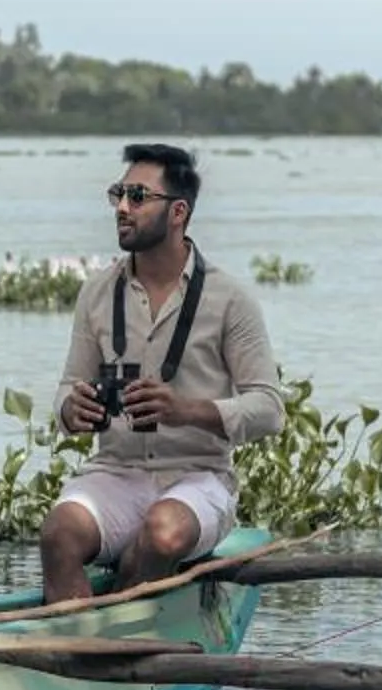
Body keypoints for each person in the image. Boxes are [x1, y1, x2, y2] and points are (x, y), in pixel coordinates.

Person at [42, 142, 284, 604]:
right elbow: (65, 391)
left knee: (162, 533)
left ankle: (114, 644)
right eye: (118, 194)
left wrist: (186, 411)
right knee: (59, 534)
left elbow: (269, 408)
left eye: (137, 196)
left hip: (199, 478)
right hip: (115, 472)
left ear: (178, 213)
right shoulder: (96, 293)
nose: (122, 208)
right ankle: (81, 657)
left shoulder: (230, 298)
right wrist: (73, 409)